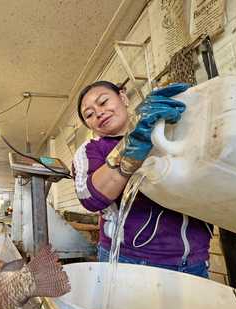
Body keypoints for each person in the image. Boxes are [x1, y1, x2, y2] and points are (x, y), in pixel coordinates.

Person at [73, 81, 212, 277]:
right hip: (129, 258)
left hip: (194, 260)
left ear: (123, 98)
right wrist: (130, 146)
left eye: (103, 102)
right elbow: (90, 197)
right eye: (89, 114)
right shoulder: (92, 149)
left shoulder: (168, 131)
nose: (98, 113)